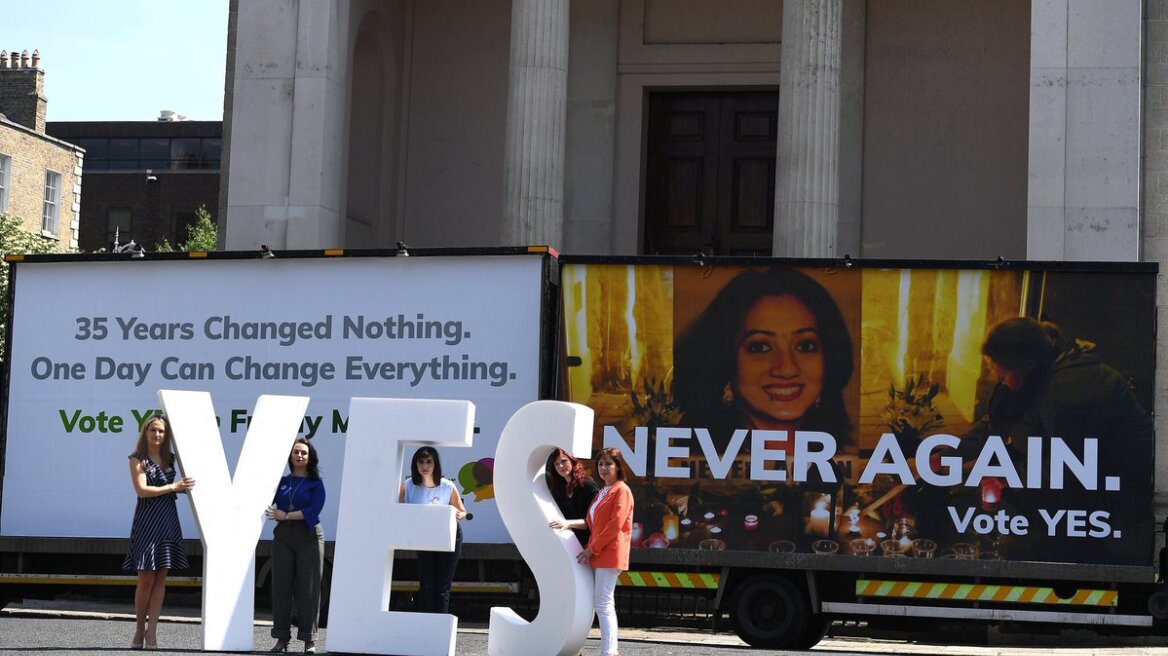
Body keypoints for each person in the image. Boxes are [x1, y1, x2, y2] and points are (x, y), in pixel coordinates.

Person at [971, 316, 1154, 560]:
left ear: (1028, 364)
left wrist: (1007, 474)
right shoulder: (1042, 371)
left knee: (1042, 547)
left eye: (1003, 374)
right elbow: (994, 425)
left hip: (1117, 490)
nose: (998, 381)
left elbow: (1069, 466)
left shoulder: (1069, 393)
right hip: (1076, 471)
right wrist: (941, 458)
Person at [674, 268, 855, 450]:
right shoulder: (693, 468)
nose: (787, 369)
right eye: (760, 347)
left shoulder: (854, 467)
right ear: (725, 361)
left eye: (805, 346)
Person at [550, 448, 634, 656]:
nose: (603, 468)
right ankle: (606, 650)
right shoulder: (606, 491)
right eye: (600, 464)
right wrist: (566, 523)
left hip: (609, 552)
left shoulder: (622, 490)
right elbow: (590, 522)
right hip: (599, 553)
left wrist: (591, 549)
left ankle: (609, 652)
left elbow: (615, 525)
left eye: (609, 464)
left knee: (603, 604)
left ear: (618, 467)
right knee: (601, 603)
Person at [123, 415, 195, 651]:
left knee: (161, 577)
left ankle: (152, 631)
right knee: (145, 578)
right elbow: (142, 491)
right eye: (153, 430)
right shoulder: (137, 459)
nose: (157, 434)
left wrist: (183, 489)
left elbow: (184, 485)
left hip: (167, 518)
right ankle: (138, 629)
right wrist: (173, 487)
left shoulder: (173, 458)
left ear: (167, 435)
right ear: (145, 432)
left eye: (161, 431)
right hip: (146, 519)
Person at [264, 438, 326, 653]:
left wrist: (286, 515)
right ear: (290, 456)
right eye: (296, 452)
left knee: (308, 589)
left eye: (304, 453)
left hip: (309, 536)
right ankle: (282, 639)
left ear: (310, 458)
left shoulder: (316, 483)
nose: (299, 456)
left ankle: (309, 640)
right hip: (283, 538)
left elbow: (313, 510)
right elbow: (265, 502)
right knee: (281, 588)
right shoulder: (281, 481)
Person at [399, 447, 468, 614]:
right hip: (424, 539)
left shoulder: (447, 486)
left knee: (442, 586)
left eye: (429, 462)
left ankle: (438, 625)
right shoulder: (408, 486)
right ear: (415, 464)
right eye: (421, 462)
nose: (425, 466)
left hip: (448, 537)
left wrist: (460, 514)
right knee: (427, 584)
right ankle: (424, 626)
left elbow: (463, 511)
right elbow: (399, 510)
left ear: (435, 464)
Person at [545, 448, 600, 546]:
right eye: (556, 464)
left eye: (564, 461)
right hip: (566, 545)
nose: (560, 466)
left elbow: (597, 520)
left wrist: (568, 523)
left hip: (588, 547)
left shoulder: (588, 485)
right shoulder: (558, 490)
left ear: (572, 460)